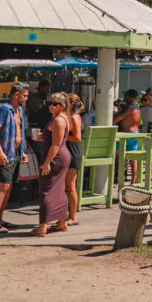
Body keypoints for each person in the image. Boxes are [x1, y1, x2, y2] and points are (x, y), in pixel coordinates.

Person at [0, 83, 29, 233]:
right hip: (4, 154)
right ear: (16, 95)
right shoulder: (4, 109)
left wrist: (22, 151)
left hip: (14, 152)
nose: (26, 98)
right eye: (25, 96)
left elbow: (19, 133)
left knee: (8, 187)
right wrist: (0, 153)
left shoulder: (19, 110)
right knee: (2, 187)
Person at [32, 93, 71, 236]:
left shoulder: (59, 120)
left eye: (55, 104)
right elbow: (53, 139)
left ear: (62, 106)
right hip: (60, 156)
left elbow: (56, 145)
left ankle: (42, 226)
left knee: (46, 190)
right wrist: (43, 137)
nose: (51, 106)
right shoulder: (57, 119)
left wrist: (47, 163)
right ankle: (62, 222)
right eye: (50, 102)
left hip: (56, 157)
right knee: (58, 189)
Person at [64, 93, 85, 226]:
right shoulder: (69, 116)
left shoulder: (74, 117)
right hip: (68, 152)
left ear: (71, 103)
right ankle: (67, 214)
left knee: (70, 186)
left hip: (73, 152)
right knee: (66, 186)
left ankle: (73, 216)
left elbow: (77, 137)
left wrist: (60, 136)